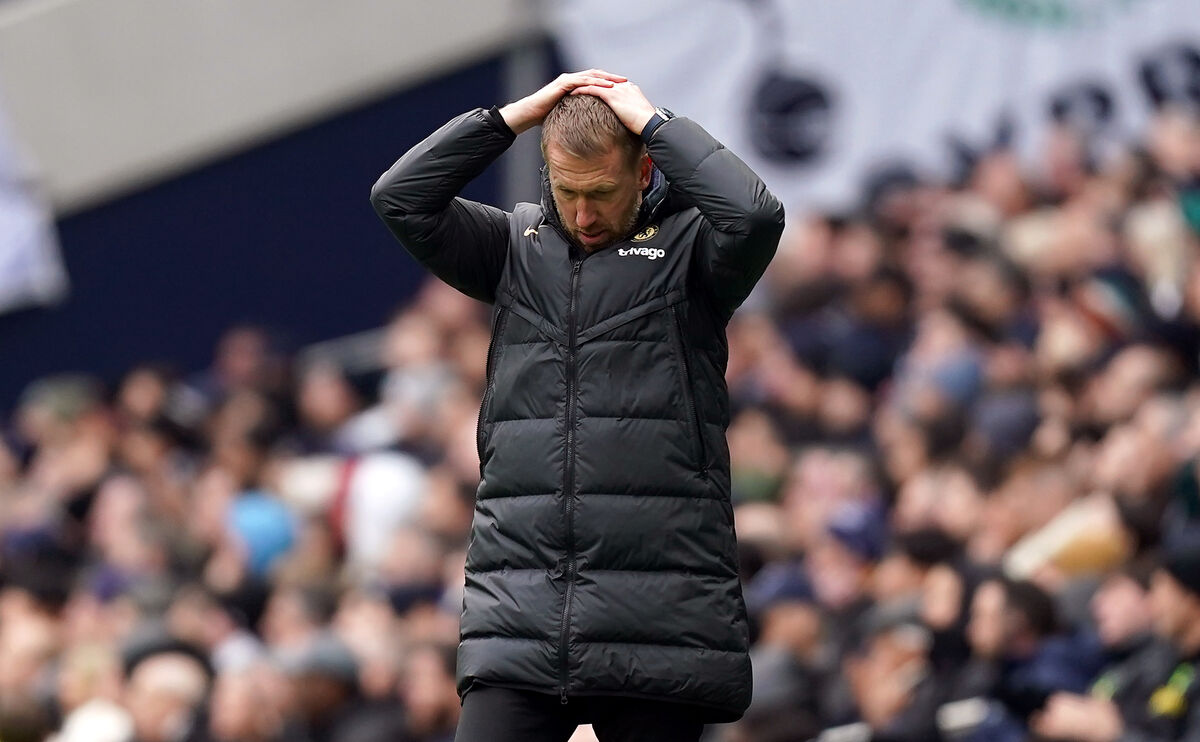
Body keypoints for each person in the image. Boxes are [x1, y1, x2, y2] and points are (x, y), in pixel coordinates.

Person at [370, 70, 785, 742]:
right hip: (521, 615)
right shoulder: (512, 247)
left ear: (644, 169)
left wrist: (655, 122)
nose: (584, 214)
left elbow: (757, 214)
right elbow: (400, 197)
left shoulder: (693, 253)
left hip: (658, 621)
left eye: (601, 193)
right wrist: (510, 118)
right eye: (567, 192)